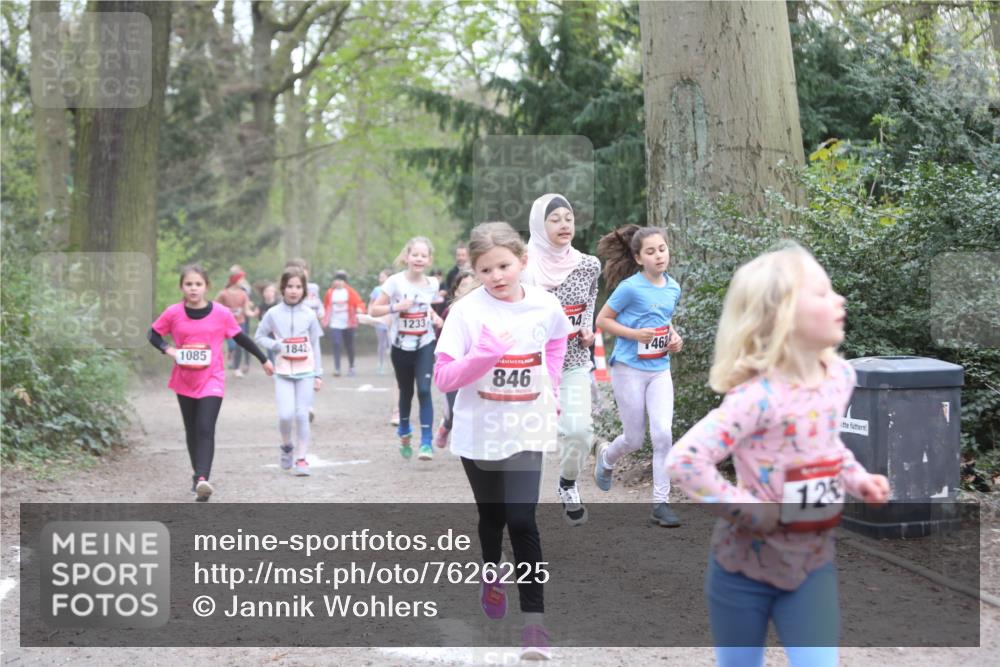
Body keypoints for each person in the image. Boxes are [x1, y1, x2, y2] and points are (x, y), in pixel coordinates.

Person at [665, 242, 890, 667]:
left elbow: (826, 446)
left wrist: (858, 478)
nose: (839, 299)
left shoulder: (840, 377)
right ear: (780, 316)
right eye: (821, 293)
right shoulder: (757, 398)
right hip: (741, 572)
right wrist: (749, 509)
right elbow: (685, 460)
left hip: (812, 566)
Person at [434, 222, 571, 661]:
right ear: (474, 271)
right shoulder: (466, 313)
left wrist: (551, 386)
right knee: (492, 517)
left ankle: (534, 626)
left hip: (528, 426)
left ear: (522, 261)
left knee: (523, 520)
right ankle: (491, 572)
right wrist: (483, 356)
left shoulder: (545, 304)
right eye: (486, 269)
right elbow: (444, 377)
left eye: (504, 266)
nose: (496, 276)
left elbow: (557, 341)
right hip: (480, 430)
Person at [148, 264, 273, 501]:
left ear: (206, 286)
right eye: (189, 284)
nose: (193, 288)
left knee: (205, 427)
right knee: (192, 430)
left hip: (212, 379)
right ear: (182, 287)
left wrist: (263, 359)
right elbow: (153, 334)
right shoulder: (173, 313)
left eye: (198, 284)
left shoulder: (221, 313)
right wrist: (168, 349)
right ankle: (197, 475)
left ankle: (203, 479)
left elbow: (240, 337)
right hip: (185, 379)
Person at [593, 224, 684, 527]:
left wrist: (674, 338)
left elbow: (664, 321)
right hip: (628, 369)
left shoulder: (673, 287)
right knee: (634, 439)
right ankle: (607, 457)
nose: (659, 256)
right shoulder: (630, 287)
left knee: (663, 434)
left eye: (662, 249)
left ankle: (661, 503)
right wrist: (634, 334)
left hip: (659, 370)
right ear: (638, 258)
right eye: (651, 251)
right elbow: (603, 320)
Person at [521, 193, 601, 526]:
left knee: (580, 432)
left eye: (568, 218)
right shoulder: (523, 267)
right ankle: (520, 509)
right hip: (531, 366)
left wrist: (587, 331)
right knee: (527, 441)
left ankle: (568, 483)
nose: (564, 224)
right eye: (554, 219)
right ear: (539, 225)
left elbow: (589, 304)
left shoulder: (589, 265)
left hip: (573, 361)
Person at [370, 237, 443, 460]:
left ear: (429, 260)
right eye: (415, 255)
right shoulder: (395, 282)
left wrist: (434, 316)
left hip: (425, 343)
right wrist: (396, 307)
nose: (419, 259)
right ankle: (404, 429)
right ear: (407, 257)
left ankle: (426, 442)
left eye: (423, 256)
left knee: (424, 390)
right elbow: (374, 310)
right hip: (401, 346)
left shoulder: (433, 283)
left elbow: (426, 306)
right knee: (406, 391)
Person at [255, 266, 324, 476]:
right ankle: (287, 446)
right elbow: (259, 337)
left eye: (298, 287)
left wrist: (318, 373)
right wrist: (277, 345)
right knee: (285, 415)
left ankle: (302, 458)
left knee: (302, 415)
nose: (294, 291)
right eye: (290, 286)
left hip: (306, 371)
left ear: (304, 290)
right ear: (283, 288)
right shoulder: (273, 313)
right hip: (283, 372)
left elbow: (315, 344)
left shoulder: (310, 314)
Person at [434, 269, 478, 449]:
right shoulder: (450, 312)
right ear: (456, 291)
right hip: (455, 368)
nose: (468, 289)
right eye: (464, 286)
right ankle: (446, 426)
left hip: (476, 369)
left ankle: (473, 444)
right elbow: (440, 340)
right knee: (453, 410)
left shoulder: (485, 312)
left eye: (472, 285)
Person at [322, 271, 365, 377]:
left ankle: (351, 366)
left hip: (348, 323)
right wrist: (324, 317)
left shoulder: (350, 292)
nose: (339, 282)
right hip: (335, 323)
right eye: (337, 280)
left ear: (345, 282)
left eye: (341, 280)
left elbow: (359, 302)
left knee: (349, 345)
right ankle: (337, 368)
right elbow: (325, 306)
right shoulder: (330, 293)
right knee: (336, 343)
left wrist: (359, 308)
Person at [216, 270, 257, 377]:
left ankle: (236, 368)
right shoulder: (223, 293)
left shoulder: (243, 294)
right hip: (226, 324)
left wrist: (253, 313)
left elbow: (246, 310)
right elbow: (215, 306)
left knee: (239, 346)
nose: (243, 281)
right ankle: (224, 362)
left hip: (239, 323)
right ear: (235, 280)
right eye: (241, 279)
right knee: (232, 345)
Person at [368, 270, 393, 376]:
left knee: (392, 343)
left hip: (391, 319)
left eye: (382, 277)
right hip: (379, 319)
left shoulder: (394, 289)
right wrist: (370, 316)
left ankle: (396, 365)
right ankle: (381, 364)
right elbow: (371, 303)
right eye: (380, 277)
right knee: (381, 343)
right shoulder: (376, 290)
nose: (380, 279)